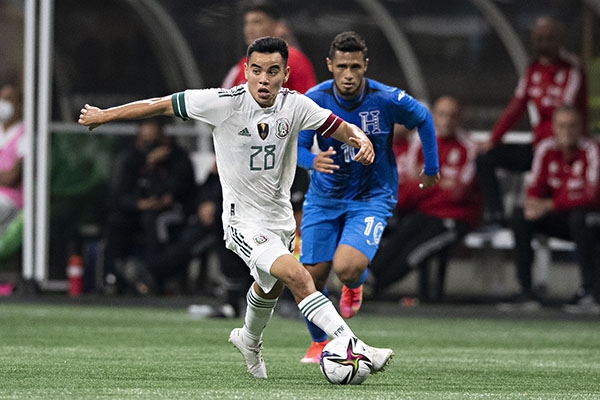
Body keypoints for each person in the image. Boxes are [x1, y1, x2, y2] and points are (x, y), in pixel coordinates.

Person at [78, 36, 393, 379]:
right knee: (297, 275)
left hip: (280, 220)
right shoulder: (223, 103)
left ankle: (248, 339)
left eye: (273, 71)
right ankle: (353, 345)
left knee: (267, 288)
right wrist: (105, 115)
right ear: (246, 71)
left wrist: (360, 139)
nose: (264, 79)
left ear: (285, 74)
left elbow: (337, 126)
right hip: (242, 222)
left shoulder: (296, 105)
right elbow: (162, 104)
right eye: (256, 70)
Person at [296, 31, 440, 363]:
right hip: (324, 196)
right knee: (311, 276)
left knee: (346, 268)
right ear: (330, 65)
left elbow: (423, 117)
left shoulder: (385, 98)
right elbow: (298, 148)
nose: (348, 75)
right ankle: (319, 343)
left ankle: (353, 282)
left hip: (372, 196)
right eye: (342, 66)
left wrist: (430, 166)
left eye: (355, 67)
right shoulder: (314, 99)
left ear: (365, 66)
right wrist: (310, 161)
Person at [216, 0, 317, 319]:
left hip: (285, 164)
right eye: (248, 24)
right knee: (233, 226)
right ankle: (236, 297)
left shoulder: (295, 63)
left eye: (258, 22)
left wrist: (302, 155)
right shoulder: (241, 69)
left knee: (292, 226)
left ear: (278, 27)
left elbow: (307, 108)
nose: (251, 29)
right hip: (246, 169)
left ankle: (292, 293)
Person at [476, 16, 588, 230]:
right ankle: (496, 216)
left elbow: (564, 116)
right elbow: (516, 107)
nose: (544, 44)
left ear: (559, 40)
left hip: (563, 151)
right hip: (538, 148)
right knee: (485, 158)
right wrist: (494, 138)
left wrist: (547, 144)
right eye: (539, 39)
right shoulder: (532, 70)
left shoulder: (572, 69)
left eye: (549, 39)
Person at [367, 96, 481, 299]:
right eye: (442, 115)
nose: (447, 120)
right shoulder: (421, 143)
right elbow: (408, 187)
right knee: (398, 239)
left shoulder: (469, 148)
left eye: (452, 116)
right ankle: (364, 279)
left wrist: (427, 183)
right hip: (424, 212)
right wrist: (441, 182)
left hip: (454, 218)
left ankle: (374, 288)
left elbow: (458, 194)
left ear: (459, 119)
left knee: (415, 250)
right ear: (434, 117)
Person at [498, 105, 600, 313]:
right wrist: (533, 205)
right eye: (561, 126)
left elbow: (591, 195)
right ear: (553, 127)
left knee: (581, 218)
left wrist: (552, 204)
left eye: (572, 126)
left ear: (581, 128)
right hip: (562, 217)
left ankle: (590, 291)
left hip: (591, 219)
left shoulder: (591, 149)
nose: (566, 131)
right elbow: (534, 188)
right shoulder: (546, 149)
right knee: (521, 216)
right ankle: (525, 290)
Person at [103, 117, 197, 294]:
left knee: (154, 223)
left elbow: (180, 189)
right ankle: (113, 277)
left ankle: (154, 276)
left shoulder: (177, 157)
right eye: (146, 129)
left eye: (154, 129)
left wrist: (160, 194)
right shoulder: (130, 157)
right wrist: (140, 203)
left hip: (168, 212)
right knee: (116, 222)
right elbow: (120, 194)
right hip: (136, 210)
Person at [221, 0, 316, 93]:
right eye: (247, 23)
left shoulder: (292, 58)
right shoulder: (242, 64)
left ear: (276, 25)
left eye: (257, 22)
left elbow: (309, 99)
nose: (249, 29)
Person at [0, 80, 25, 244]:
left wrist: (7, 176)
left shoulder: (25, 134)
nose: (3, 104)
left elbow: (13, 177)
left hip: (12, 201)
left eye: (8, 99)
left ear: (20, 104)